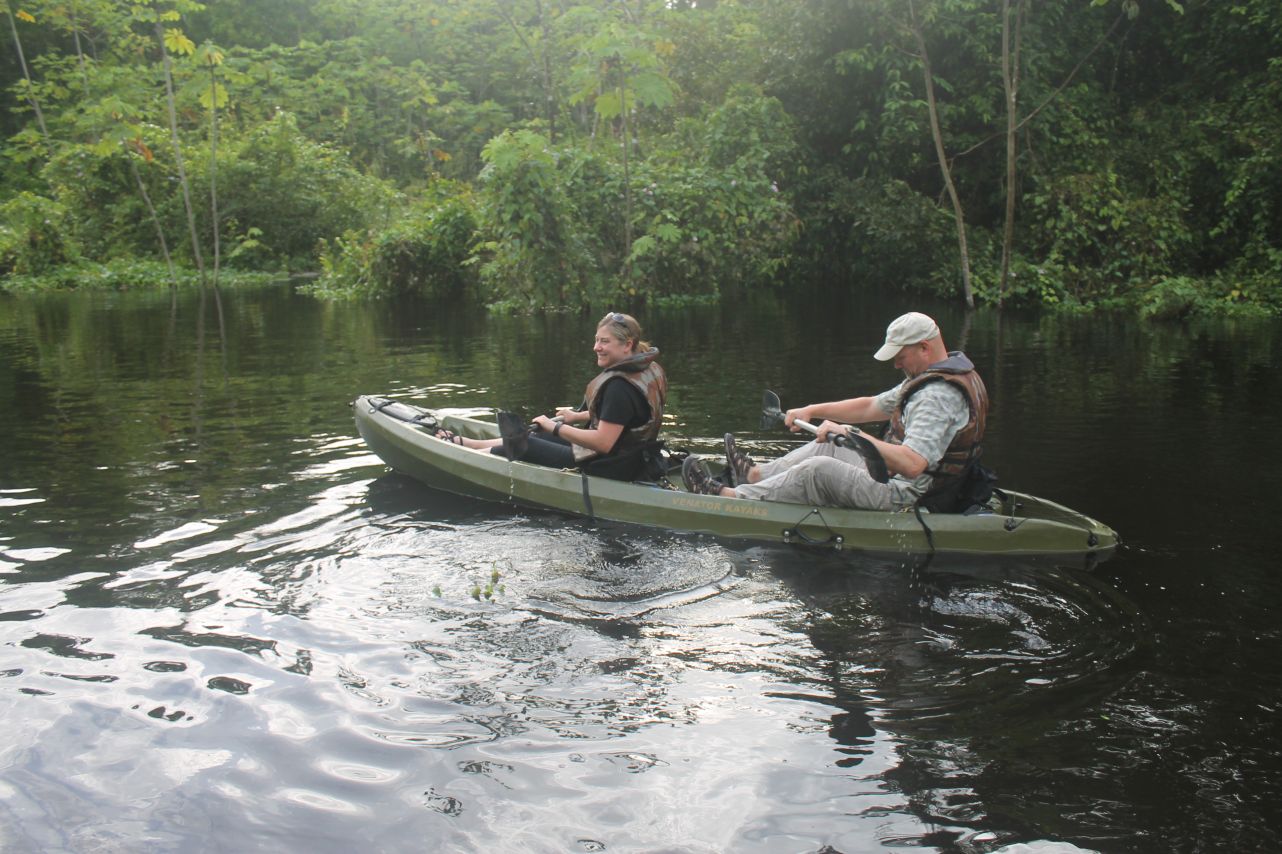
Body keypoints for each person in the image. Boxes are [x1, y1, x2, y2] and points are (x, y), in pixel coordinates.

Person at [682, 311, 988, 512]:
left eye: (900, 356)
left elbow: (913, 465)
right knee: (827, 442)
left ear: (924, 347)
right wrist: (812, 410)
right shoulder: (935, 375)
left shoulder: (937, 396)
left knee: (818, 470)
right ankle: (752, 476)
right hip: (898, 478)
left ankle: (729, 500)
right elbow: (871, 405)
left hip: (909, 496)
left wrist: (853, 435)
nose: (895, 364)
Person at [436, 312, 667, 474]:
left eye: (604, 342)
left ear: (627, 345)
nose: (596, 347)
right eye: (596, 340)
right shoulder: (648, 368)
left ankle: (466, 456)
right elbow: (624, 417)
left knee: (530, 444)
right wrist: (576, 417)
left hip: (612, 465)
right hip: (634, 457)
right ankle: (469, 444)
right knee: (540, 436)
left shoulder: (619, 387)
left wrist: (555, 426)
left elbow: (604, 442)